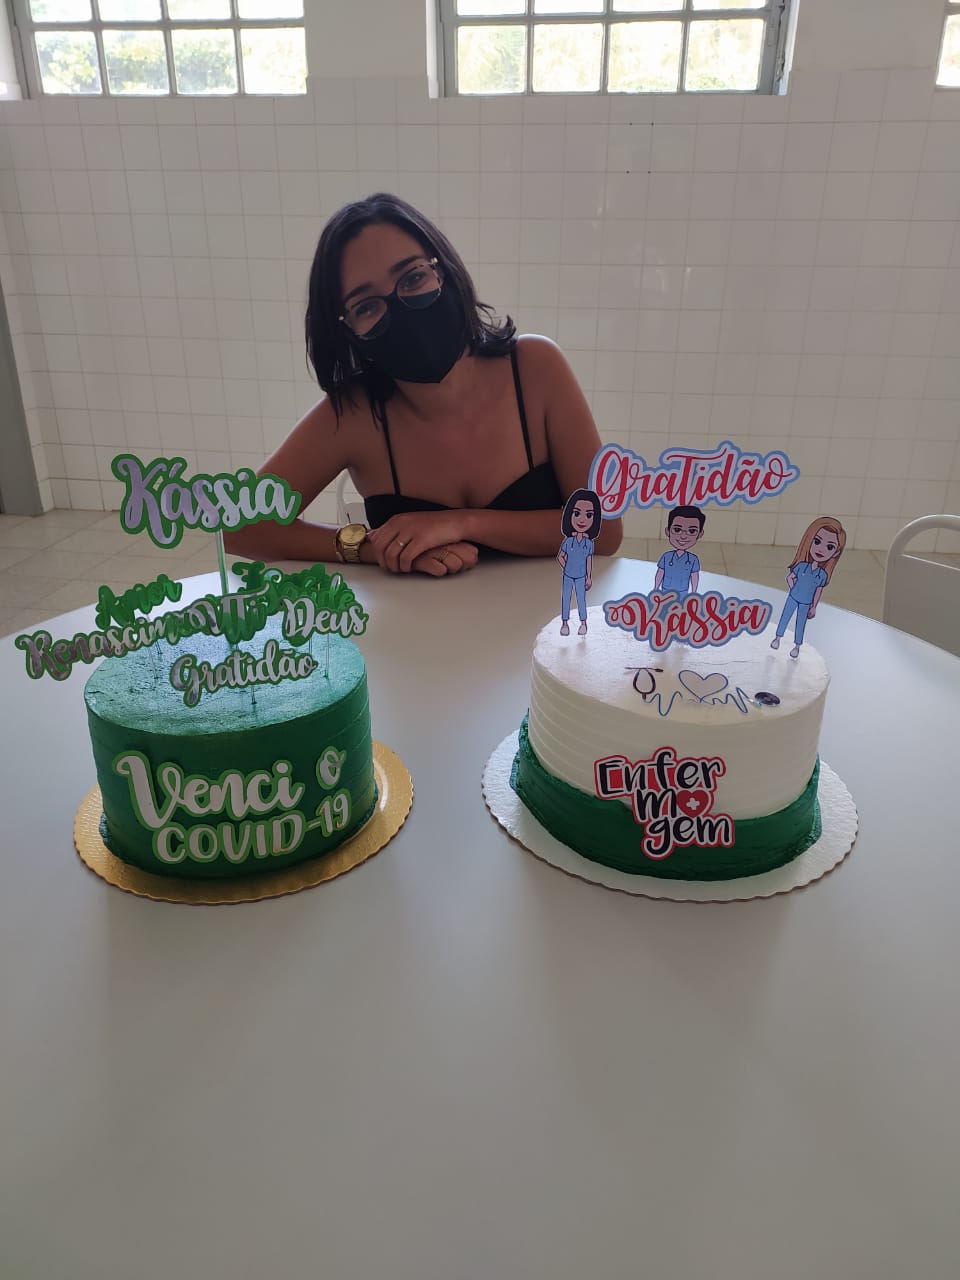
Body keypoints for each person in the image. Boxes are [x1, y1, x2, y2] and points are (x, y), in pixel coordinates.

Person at [223, 193, 621, 576]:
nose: (400, 308)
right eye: (366, 306)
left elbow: (603, 529)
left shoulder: (535, 367)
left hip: (551, 618)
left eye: (413, 277)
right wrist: (371, 547)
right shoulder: (354, 414)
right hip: (416, 623)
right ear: (347, 332)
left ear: (442, 269)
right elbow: (240, 527)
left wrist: (459, 523)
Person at [770, 516, 846, 658]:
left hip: (806, 602)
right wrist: (793, 588)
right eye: (816, 541)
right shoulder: (801, 566)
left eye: (829, 547)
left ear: (836, 552)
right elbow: (790, 577)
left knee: (801, 622)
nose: (821, 549)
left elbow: (818, 591)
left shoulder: (821, 575)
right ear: (809, 540)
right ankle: (777, 638)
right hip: (793, 597)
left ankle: (797, 646)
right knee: (785, 616)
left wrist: (814, 606)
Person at [557, 488, 601, 636]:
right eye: (576, 513)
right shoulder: (568, 542)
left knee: (581, 599)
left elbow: (589, 560)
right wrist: (566, 567)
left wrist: (589, 577)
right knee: (566, 598)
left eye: (589, 515)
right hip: (568, 576)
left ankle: (583, 623)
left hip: (581, 576)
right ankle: (565, 623)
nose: (582, 520)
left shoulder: (589, 543)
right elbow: (560, 556)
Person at [654, 506, 705, 597]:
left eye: (692, 531)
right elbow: (660, 573)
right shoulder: (666, 556)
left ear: (700, 534)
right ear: (668, 531)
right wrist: (656, 588)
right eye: (677, 530)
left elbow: (694, 576)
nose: (683, 536)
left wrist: (694, 592)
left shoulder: (693, 559)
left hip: (683, 593)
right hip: (665, 591)